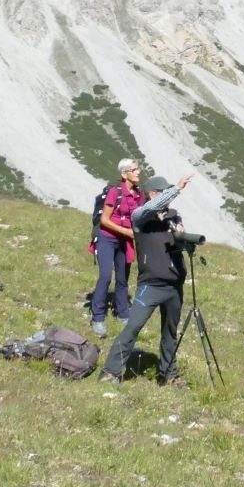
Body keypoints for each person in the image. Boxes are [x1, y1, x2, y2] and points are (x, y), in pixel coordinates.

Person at [99, 172, 195, 385]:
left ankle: (169, 374)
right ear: (153, 194)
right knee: (133, 327)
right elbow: (152, 208)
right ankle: (110, 372)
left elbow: (179, 245)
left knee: (170, 332)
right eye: (164, 192)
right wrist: (177, 188)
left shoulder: (173, 216)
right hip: (150, 285)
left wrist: (182, 236)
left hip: (174, 284)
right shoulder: (140, 217)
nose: (168, 198)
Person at [87, 158, 144, 338]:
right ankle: (97, 318)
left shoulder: (139, 194)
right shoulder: (114, 192)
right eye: (134, 169)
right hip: (107, 238)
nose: (138, 172)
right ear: (124, 174)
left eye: (138, 169)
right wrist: (126, 232)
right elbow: (104, 220)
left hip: (124, 240)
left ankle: (123, 313)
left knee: (122, 278)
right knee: (105, 276)